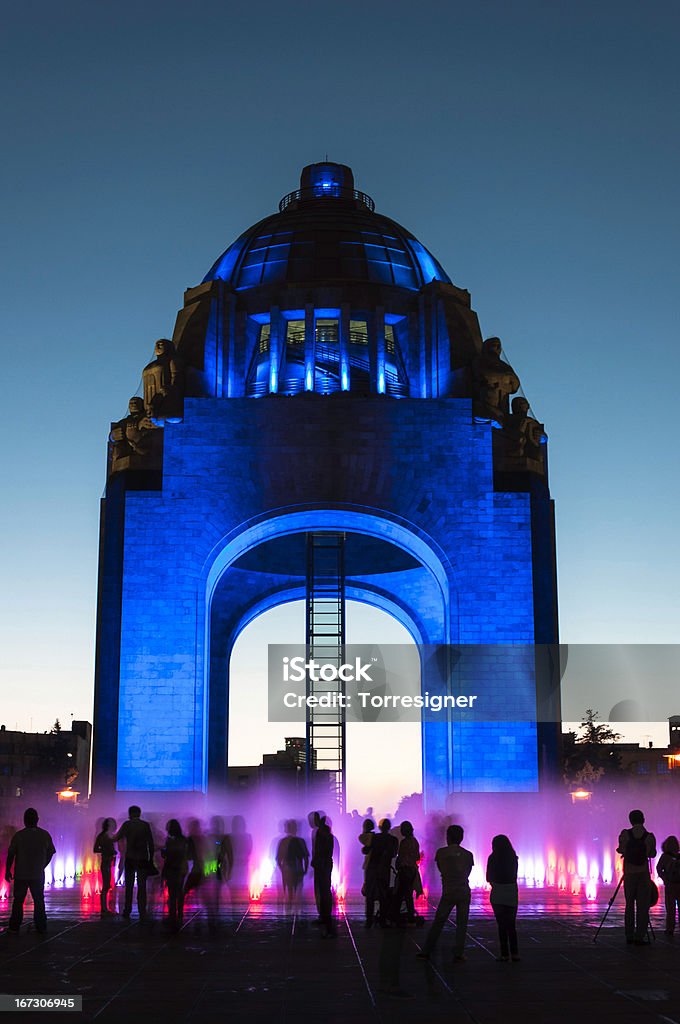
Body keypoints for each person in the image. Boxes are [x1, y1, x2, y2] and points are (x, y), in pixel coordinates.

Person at [417, 824, 473, 962]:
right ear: (461, 838)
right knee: (462, 923)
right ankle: (459, 952)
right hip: (464, 891)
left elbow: (441, 869)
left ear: (447, 837)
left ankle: (427, 950)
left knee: (439, 921)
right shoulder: (468, 854)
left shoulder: (441, 853)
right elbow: (467, 872)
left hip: (449, 890)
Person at [5, 808, 56, 934]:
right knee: (39, 900)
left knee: (18, 901)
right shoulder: (44, 835)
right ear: (37, 820)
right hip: (37, 874)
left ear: (24, 820)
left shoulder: (19, 835)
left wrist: (7, 870)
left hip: (21, 874)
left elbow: (11, 854)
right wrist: (43, 864)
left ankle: (14, 927)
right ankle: (41, 926)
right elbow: (51, 852)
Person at [616, 809, 657, 945]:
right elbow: (652, 854)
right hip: (643, 873)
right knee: (643, 905)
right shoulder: (649, 836)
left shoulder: (625, 834)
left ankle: (629, 935)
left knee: (629, 905)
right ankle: (640, 935)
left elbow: (621, 849)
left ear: (630, 820)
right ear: (643, 819)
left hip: (629, 873)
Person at [112, 805, 155, 921]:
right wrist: (151, 859)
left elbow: (116, 837)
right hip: (142, 858)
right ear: (139, 813)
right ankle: (142, 910)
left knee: (129, 886)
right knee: (142, 886)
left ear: (130, 813)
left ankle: (127, 910)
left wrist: (106, 836)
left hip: (130, 858)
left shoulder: (127, 824)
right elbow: (150, 843)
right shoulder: (145, 825)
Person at [486, 834, 520, 961]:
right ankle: (515, 953)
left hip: (498, 893)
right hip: (511, 893)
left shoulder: (493, 858)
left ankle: (504, 954)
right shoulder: (513, 858)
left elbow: (488, 877)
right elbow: (514, 875)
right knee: (511, 925)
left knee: (501, 925)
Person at [368, 818, 399, 926]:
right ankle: (383, 919)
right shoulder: (393, 840)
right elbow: (394, 854)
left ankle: (369, 920)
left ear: (380, 827)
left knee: (370, 894)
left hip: (373, 868)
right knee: (383, 895)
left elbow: (367, 850)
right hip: (384, 869)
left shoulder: (375, 838)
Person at [161, 819, 189, 931]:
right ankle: (180, 913)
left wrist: (164, 851)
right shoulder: (184, 840)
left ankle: (173, 915)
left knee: (172, 893)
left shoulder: (170, 841)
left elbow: (168, 855)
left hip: (172, 868)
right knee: (179, 891)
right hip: (181, 868)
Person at [276, 820, 310, 913]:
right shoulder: (301, 841)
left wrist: (282, 869)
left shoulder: (283, 842)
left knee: (288, 892)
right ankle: (297, 914)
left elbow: (278, 859)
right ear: (296, 829)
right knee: (298, 893)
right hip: (298, 868)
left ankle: (288, 913)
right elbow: (306, 857)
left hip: (287, 869)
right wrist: (305, 870)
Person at [392, 821, 421, 924]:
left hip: (405, 870)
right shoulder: (415, 841)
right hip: (412, 870)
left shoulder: (404, 842)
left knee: (400, 894)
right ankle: (410, 914)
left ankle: (396, 915)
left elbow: (400, 856)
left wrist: (398, 865)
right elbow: (417, 857)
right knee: (408, 894)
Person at [312, 815, 336, 937]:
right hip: (325, 864)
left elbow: (320, 851)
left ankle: (325, 915)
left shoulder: (321, 835)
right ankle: (325, 915)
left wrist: (316, 861)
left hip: (322, 865)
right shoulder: (328, 836)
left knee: (323, 890)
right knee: (324, 890)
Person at [656, 835, 680, 937]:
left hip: (670, 885)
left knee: (670, 909)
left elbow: (658, 868)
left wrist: (664, 878)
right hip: (679, 884)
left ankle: (670, 929)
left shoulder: (664, 857)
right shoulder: (679, 856)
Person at [93, 817, 117, 916]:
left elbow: (96, 849)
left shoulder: (104, 835)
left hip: (108, 862)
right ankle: (104, 908)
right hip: (106, 862)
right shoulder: (104, 836)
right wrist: (108, 851)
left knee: (107, 885)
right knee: (106, 885)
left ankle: (104, 907)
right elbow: (95, 849)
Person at [359, 818, 378, 927]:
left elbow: (361, 838)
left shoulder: (368, 837)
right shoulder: (376, 838)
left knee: (369, 893)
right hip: (377, 867)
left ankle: (369, 917)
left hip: (370, 867)